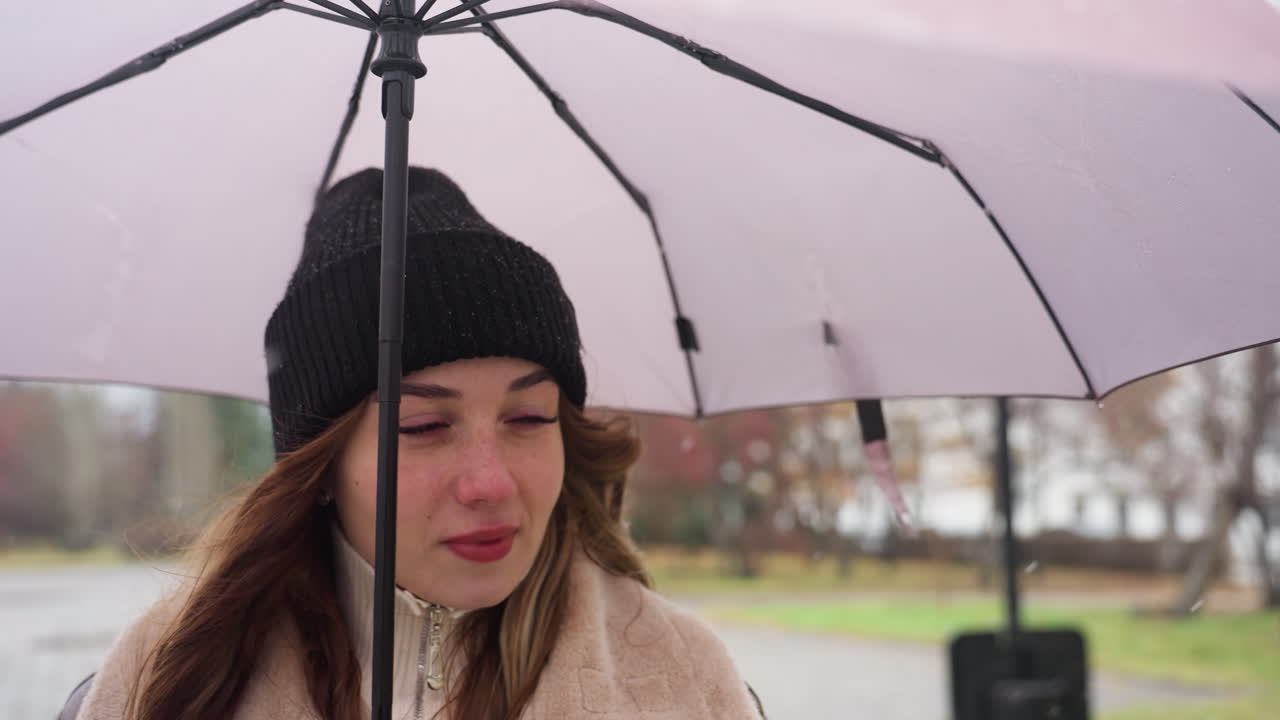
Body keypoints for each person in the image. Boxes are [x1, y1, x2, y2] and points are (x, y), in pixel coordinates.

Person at [70, 167, 765, 720]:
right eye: (425, 428)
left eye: (528, 419)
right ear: (320, 464)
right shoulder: (159, 686)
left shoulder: (690, 686)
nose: (491, 483)